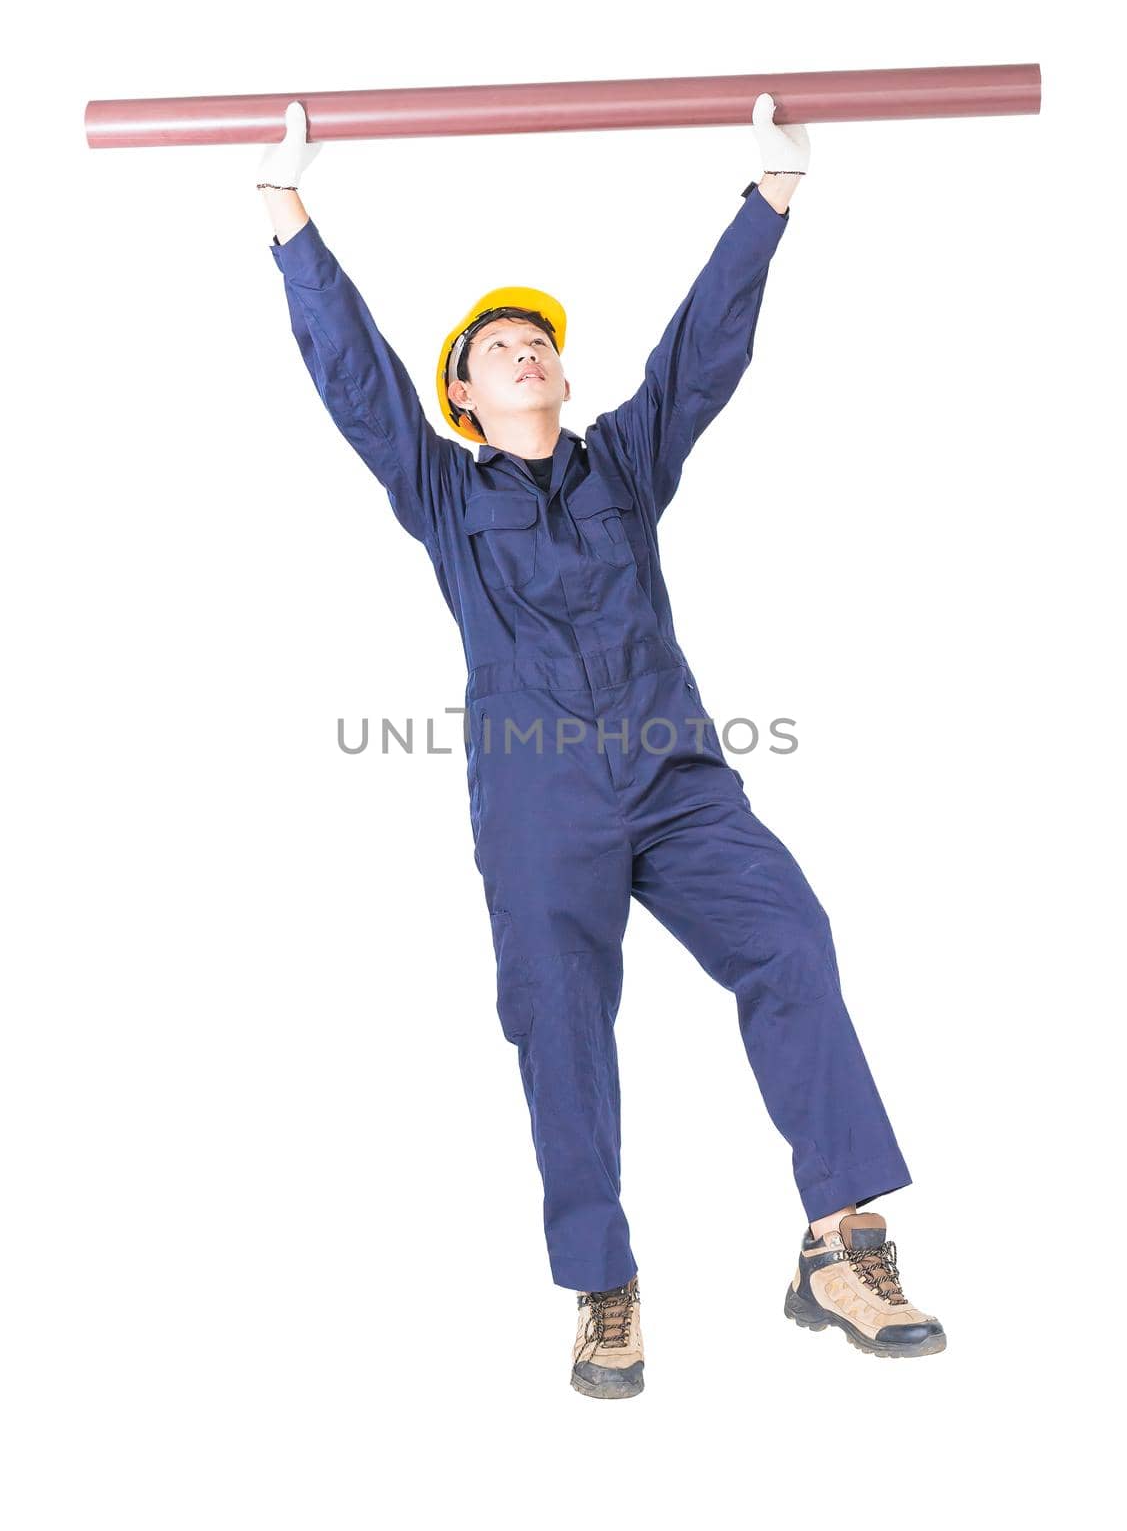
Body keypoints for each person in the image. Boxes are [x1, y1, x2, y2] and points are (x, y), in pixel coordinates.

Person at [257, 95, 946, 1399]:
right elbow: (357, 376)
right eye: (496, 346)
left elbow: (701, 355)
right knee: (557, 1016)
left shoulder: (623, 464)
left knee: (791, 936)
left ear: (564, 377)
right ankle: (603, 1286)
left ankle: (840, 1241)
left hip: (676, 777)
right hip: (539, 794)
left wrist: (770, 198)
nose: (524, 352)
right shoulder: (447, 493)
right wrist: (290, 220)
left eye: (539, 342)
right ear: (461, 393)